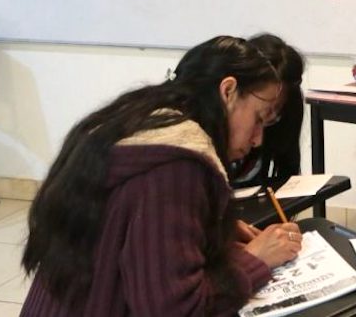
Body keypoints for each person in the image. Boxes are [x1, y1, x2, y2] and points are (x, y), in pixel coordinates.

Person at [21, 35, 303, 316]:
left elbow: (129, 236)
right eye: (258, 118)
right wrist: (255, 259)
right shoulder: (177, 168)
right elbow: (176, 309)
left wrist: (208, 230)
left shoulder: (136, 119)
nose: (258, 139)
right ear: (228, 91)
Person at [230, 33, 304, 189]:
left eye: (273, 114)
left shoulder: (283, 116)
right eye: (259, 116)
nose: (258, 140)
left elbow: (287, 174)